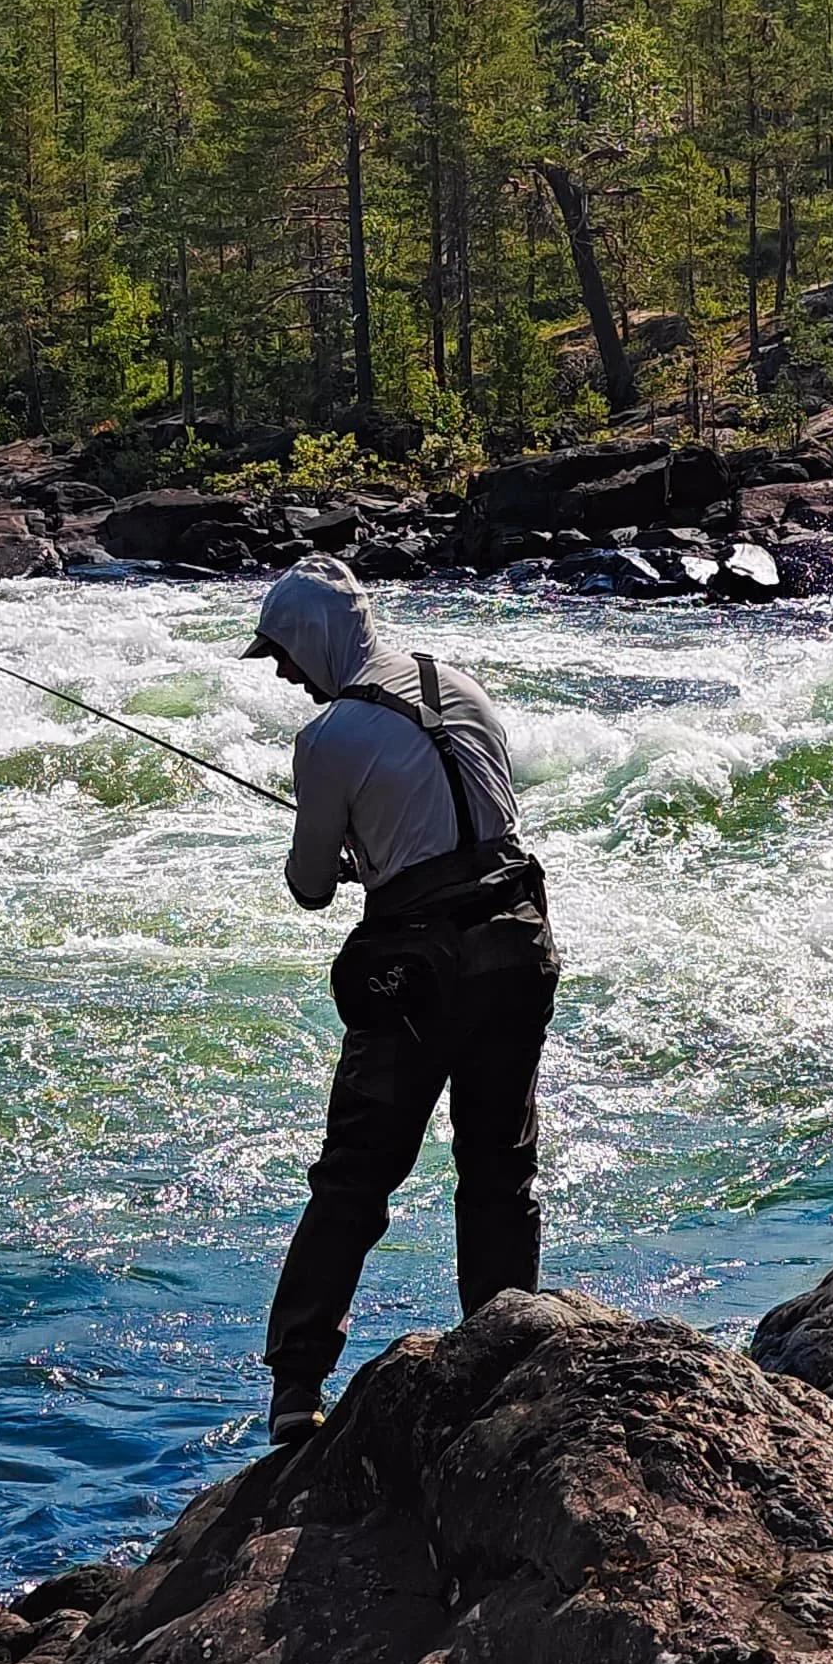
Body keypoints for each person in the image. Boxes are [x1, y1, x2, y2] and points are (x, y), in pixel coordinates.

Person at [245, 554, 559, 1448]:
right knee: (499, 1170)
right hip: (518, 945)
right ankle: (504, 1362)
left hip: (418, 975)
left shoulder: (331, 736)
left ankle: (296, 1391)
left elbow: (310, 886)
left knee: (354, 1178)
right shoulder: (459, 683)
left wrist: (344, 853)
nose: (278, 671)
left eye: (279, 653)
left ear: (311, 640)